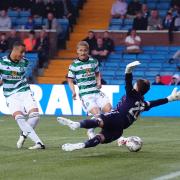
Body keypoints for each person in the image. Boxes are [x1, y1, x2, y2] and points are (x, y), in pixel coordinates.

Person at [57, 61, 180, 151]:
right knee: (100, 138)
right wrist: (170, 98)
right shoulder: (143, 103)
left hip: (116, 117)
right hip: (120, 129)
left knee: (98, 120)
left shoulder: (132, 94)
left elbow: (127, 82)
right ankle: (81, 145)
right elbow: (155, 103)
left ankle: (76, 124)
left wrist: (128, 70)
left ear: (136, 87)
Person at [0, 41, 45, 149]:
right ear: (14, 50)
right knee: (19, 118)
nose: (23, 55)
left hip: (24, 91)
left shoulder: (25, 62)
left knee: (35, 117)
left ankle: (23, 135)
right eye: (21, 52)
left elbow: (17, 76)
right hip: (10, 95)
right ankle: (39, 143)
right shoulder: (2, 63)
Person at [67, 41, 112, 139]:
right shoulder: (74, 65)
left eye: (85, 50)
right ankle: (92, 130)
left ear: (88, 51)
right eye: (81, 50)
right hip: (85, 94)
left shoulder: (94, 61)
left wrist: (99, 82)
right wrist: (73, 91)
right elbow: (70, 80)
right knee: (97, 115)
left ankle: (92, 128)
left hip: (96, 91)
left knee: (109, 111)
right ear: (77, 51)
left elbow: (97, 73)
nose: (83, 52)